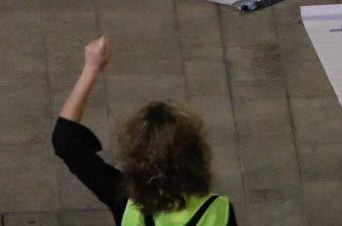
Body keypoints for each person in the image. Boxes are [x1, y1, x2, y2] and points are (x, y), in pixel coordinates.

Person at [52, 38, 232, 223]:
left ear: (135, 154)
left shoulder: (124, 199)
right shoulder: (219, 210)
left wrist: (90, 69)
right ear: (196, 154)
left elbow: (66, 141)